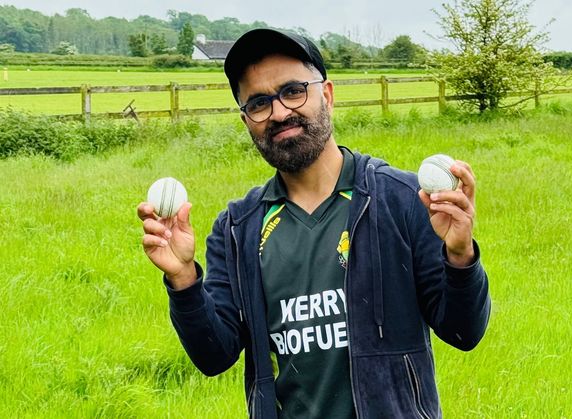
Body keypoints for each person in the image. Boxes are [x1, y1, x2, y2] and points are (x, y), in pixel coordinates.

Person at [138, 28, 490, 419]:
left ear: (327, 94)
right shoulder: (238, 228)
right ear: (246, 120)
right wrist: (184, 279)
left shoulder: (403, 200)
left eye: (293, 91)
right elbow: (214, 356)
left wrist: (460, 256)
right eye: (258, 103)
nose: (279, 112)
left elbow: (463, 332)